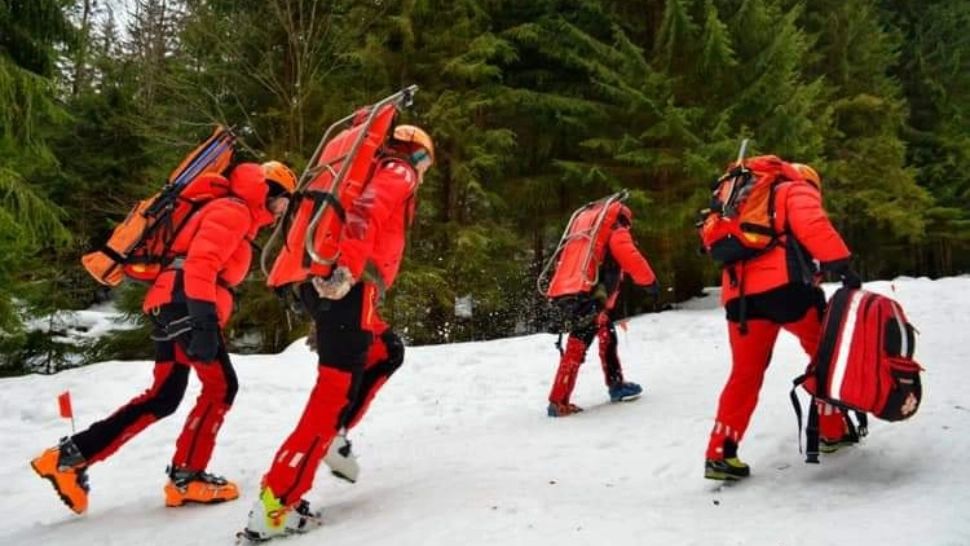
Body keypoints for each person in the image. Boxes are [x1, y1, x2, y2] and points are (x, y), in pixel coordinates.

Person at [31, 160, 297, 513]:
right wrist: (203, 322)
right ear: (268, 190)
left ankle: (68, 458)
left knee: (164, 395)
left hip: (173, 301)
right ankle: (188, 477)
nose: (282, 211)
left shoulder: (234, 212)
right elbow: (201, 265)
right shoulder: (234, 211)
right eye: (283, 201)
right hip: (185, 304)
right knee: (221, 387)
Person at [241, 125, 434, 540]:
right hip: (348, 286)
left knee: (387, 351)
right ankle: (277, 504)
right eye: (427, 160)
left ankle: (335, 435)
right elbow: (367, 212)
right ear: (416, 152)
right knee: (330, 399)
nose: (425, 169)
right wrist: (347, 269)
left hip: (332, 287)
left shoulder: (362, 169)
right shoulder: (399, 169)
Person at [704, 160, 862, 481]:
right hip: (788, 290)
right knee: (823, 356)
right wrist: (842, 265)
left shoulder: (740, 198)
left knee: (744, 374)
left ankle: (720, 452)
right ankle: (832, 430)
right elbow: (813, 226)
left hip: (740, 300)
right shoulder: (792, 188)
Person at [547, 204, 659, 417]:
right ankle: (558, 400)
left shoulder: (585, 237)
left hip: (578, 293)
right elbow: (629, 255)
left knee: (606, 335)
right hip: (592, 298)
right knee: (578, 343)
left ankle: (615, 385)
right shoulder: (616, 231)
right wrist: (649, 282)